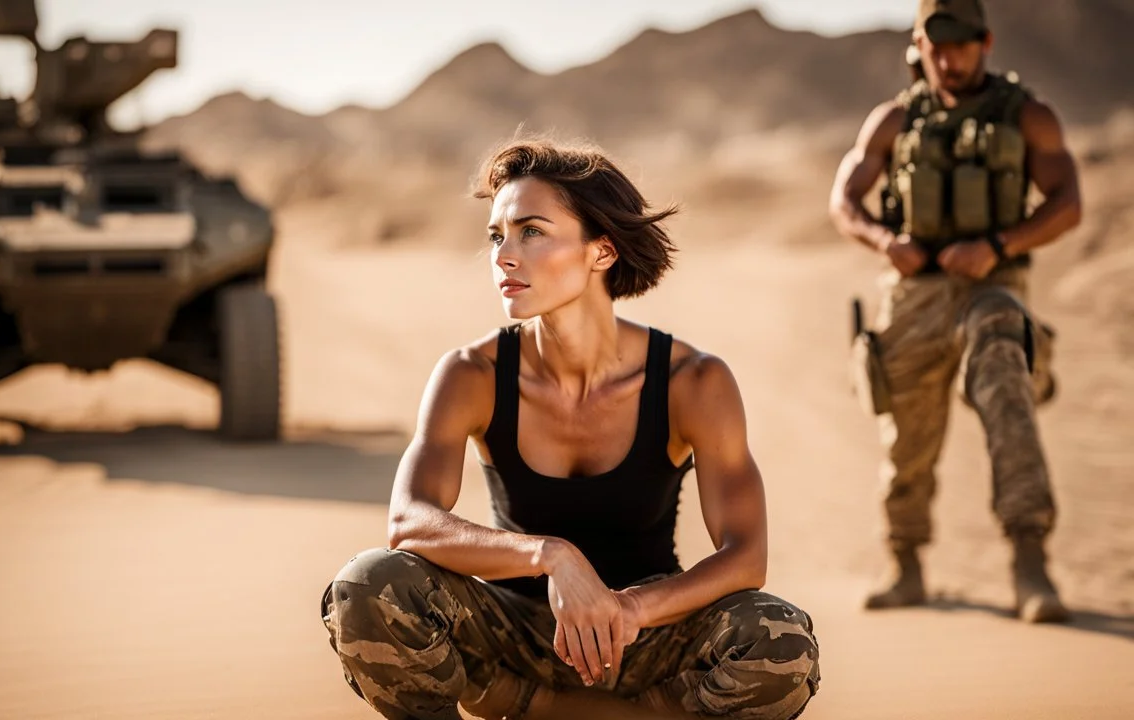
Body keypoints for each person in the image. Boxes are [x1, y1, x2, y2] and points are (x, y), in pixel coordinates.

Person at [320, 139, 820, 720]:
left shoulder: (692, 380)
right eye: (495, 236)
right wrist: (550, 555)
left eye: (532, 231)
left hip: (650, 643)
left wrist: (631, 608)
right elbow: (409, 522)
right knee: (368, 585)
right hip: (513, 644)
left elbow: (745, 556)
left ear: (601, 252)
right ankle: (536, 703)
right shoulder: (471, 374)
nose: (504, 256)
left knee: (779, 637)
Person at [828, 0, 1082, 622]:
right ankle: (905, 563)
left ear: (985, 41)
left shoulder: (1028, 116)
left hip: (992, 286)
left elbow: (1068, 202)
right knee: (906, 438)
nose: (949, 58)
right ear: (918, 43)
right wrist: (888, 243)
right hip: (913, 296)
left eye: (962, 44)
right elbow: (843, 199)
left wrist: (998, 245)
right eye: (936, 45)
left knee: (1004, 383)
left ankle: (1030, 564)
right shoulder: (893, 121)